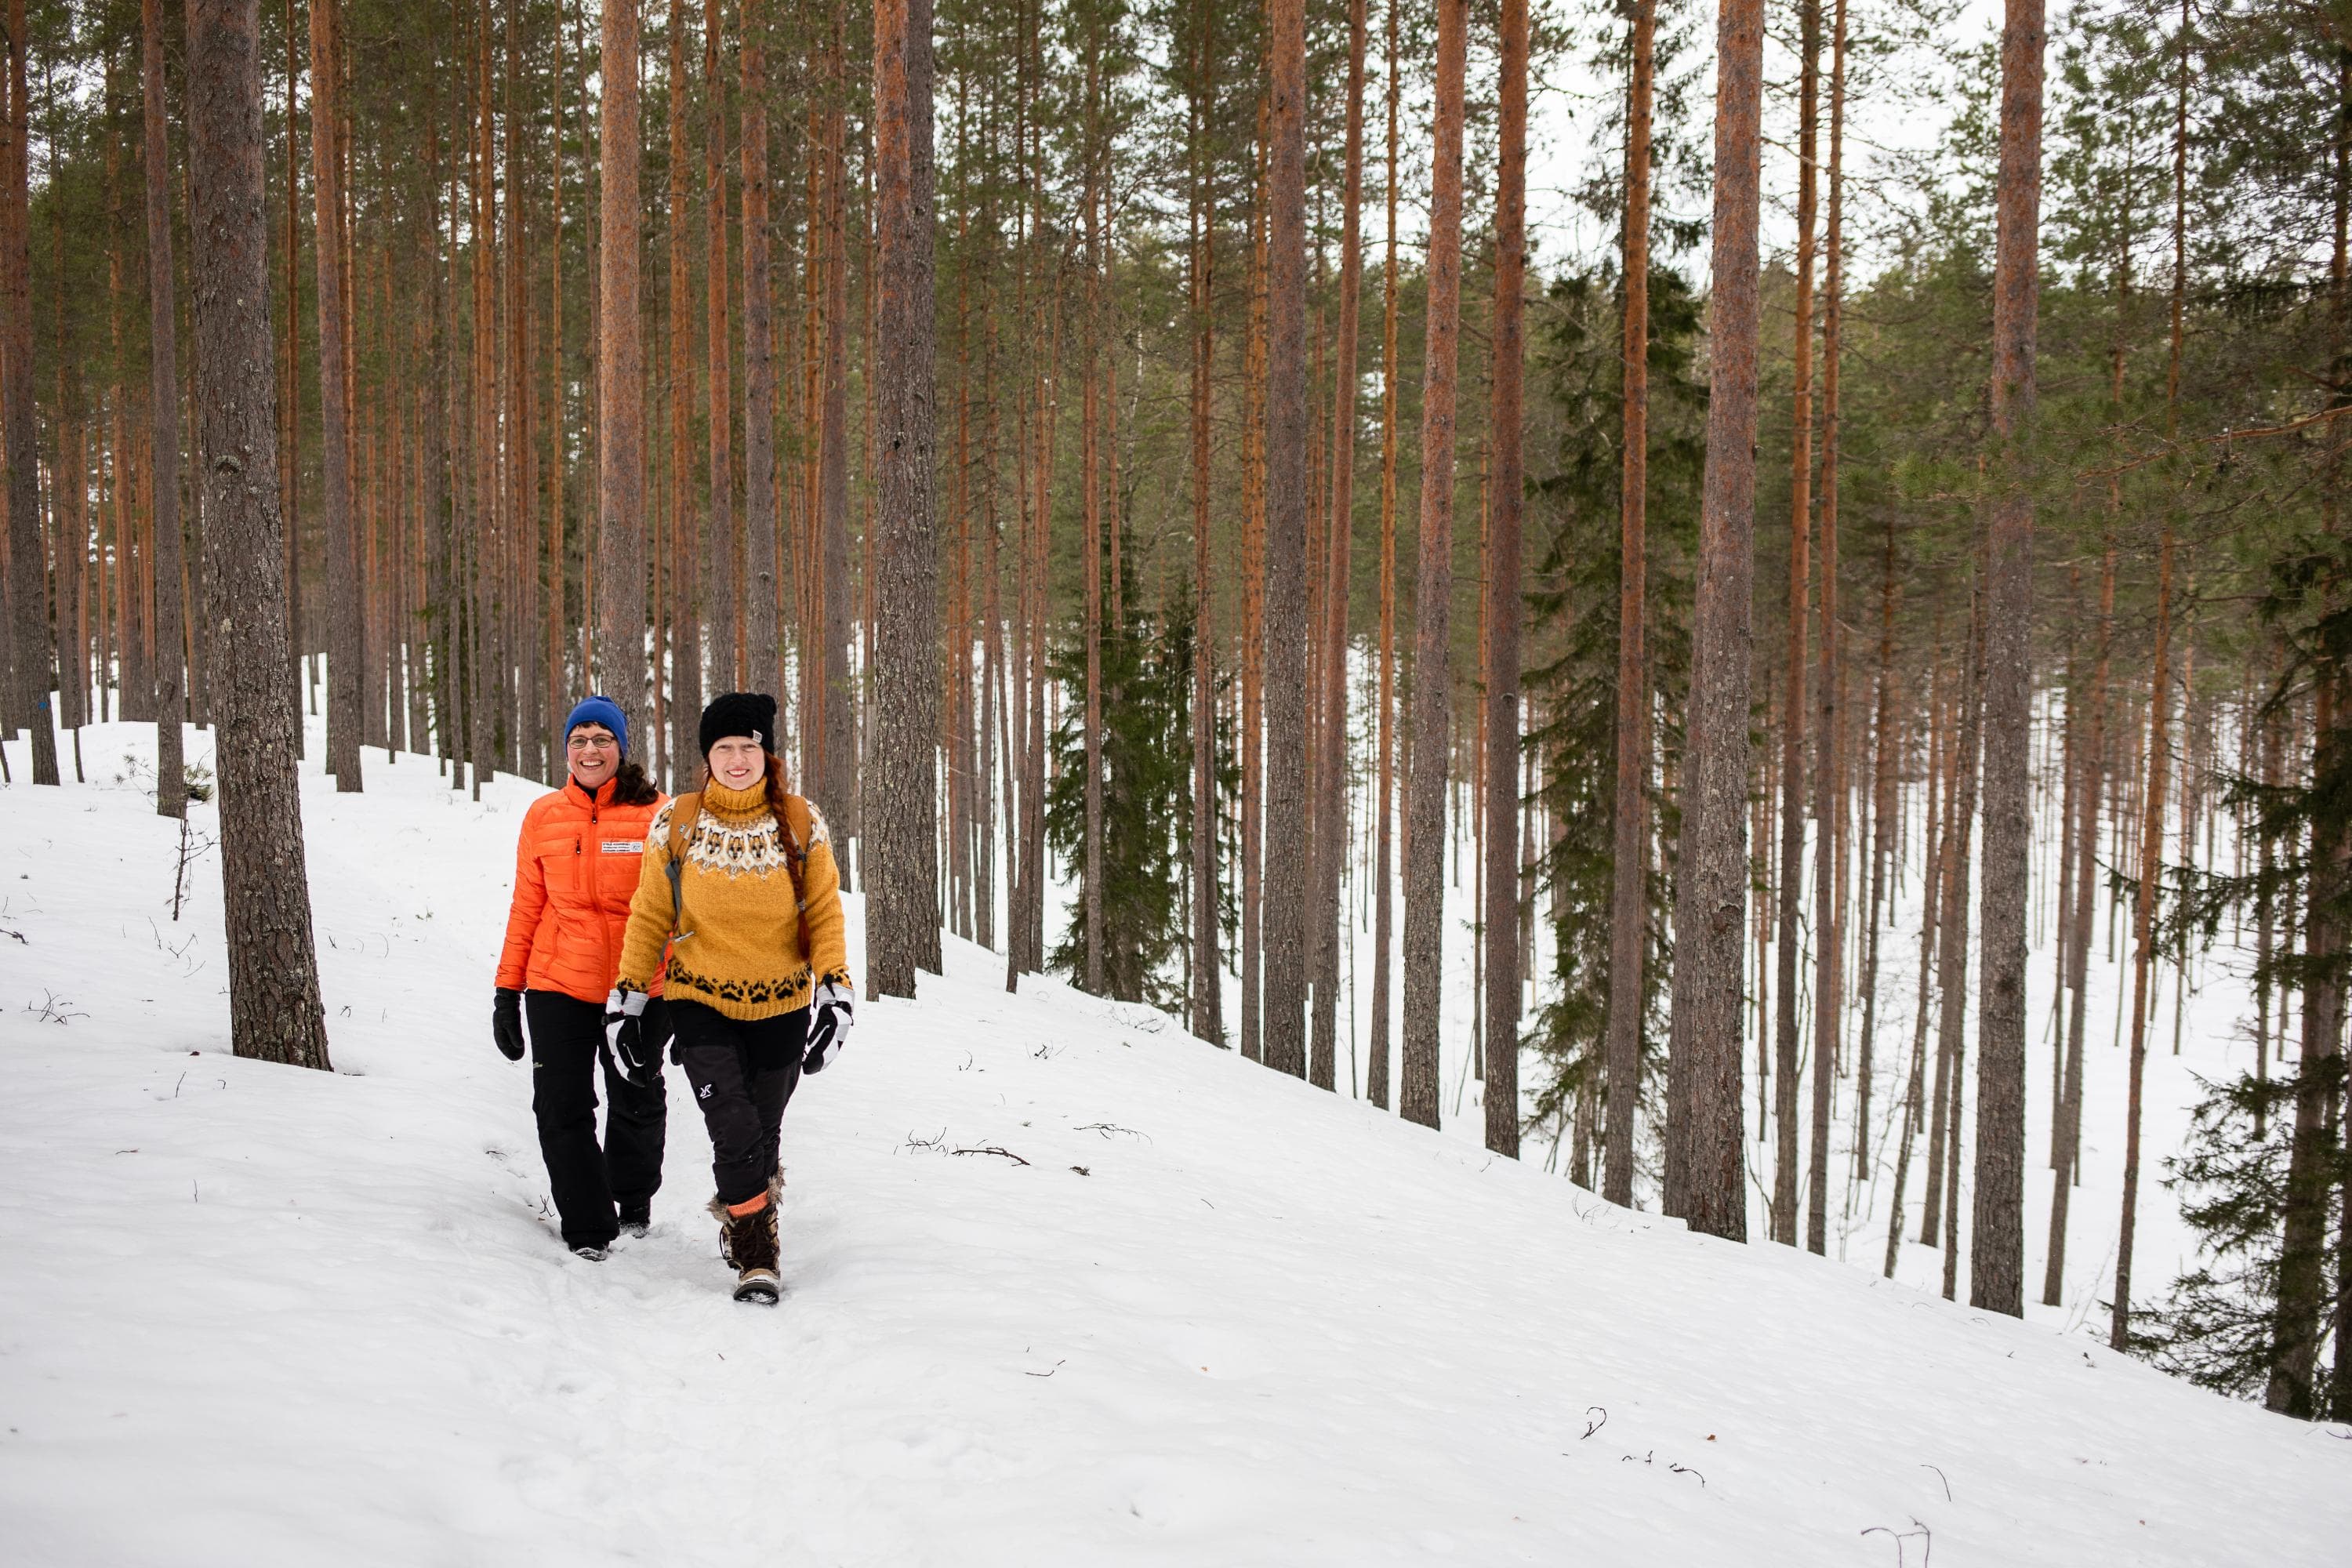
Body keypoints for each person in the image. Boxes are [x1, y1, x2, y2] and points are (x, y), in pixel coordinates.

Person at [608, 691, 854, 1305]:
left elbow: (824, 912)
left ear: (767, 753)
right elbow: (649, 915)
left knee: (763, 1131)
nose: (738, 759)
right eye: (725, 748)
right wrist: (630, 995)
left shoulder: (801, 822)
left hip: (782, 1003)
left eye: (749, 747)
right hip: (699, 998)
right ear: (706, 756)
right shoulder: (677, 822)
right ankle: (757, 1258)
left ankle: (752, 1217)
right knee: (734, 1124)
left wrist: (836, 990)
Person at [493, 695, 671, 1261]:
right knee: (559, 1106)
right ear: (565, 749)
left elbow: (685, 912)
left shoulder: (659, 815)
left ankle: (632, 1198)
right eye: (579, 739)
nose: (589, 750)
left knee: (636, 1099)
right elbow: (526, 907)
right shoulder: (544, 816)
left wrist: (695, 997)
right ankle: (589, 1225)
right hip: (557, 984)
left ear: (621, 747)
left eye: (601, 739)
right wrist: (507, 991)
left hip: (641, 987)